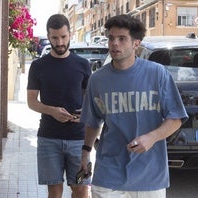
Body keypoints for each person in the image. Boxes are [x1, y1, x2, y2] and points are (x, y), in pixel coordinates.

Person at [80, 14, 188, 198]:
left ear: (136, 43)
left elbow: (176, 118)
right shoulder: (97, 80)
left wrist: (152, 137)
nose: (115, 43)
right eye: (111, 38)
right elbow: (92, 122)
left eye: (122, 39)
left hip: (150, 175)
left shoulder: (157, 74)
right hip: (109, 174)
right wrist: (85, 153)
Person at [27, 14, 91, 198]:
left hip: (79, 140)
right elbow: (31, 101)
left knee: (80, 189)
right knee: (54, 191)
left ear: (70, 34)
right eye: (55, 38)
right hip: (49, 139)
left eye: (63, 37)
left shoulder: (83, 64)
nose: (60, 42)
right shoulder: (38, 66)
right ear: (49, 36)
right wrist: (51, 111)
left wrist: (85, 114)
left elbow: (93, 100)